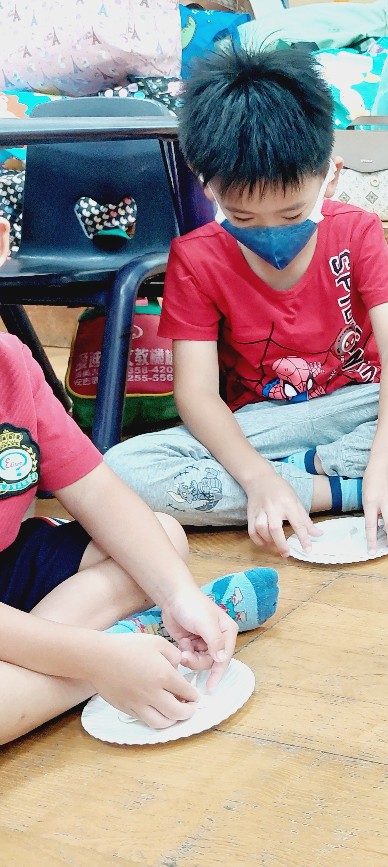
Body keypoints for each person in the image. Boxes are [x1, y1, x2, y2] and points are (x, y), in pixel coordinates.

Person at [104, 45, 388, 555]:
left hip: (361, 406)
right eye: (244, 218)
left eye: (293, 214)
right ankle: (342, 490)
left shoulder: (357, 230)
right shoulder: (195, 257)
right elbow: (197, 395)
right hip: (266, 426)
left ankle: (340, 472)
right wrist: (257, 477)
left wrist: (386, 452)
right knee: (124, 470)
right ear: (207, 186)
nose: (270, 233)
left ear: (330, 176)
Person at [0, 216, 264, 744]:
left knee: (162, 538)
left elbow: (96, 490)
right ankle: (121, 647)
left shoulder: (11, 363)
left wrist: (179, 596)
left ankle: (97, 658)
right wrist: (97, 659)